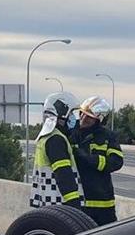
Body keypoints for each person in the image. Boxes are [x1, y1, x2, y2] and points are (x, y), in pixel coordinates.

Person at [70, 95, 123, 225]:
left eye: (89, 117)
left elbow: (116, 162)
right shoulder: (70, 132)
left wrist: (89, 159)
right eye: (82, 114)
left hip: (102, 203)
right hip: (76, 200)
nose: (83, 118)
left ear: (99, 120)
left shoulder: (107, 136)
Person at [29, 91, 82, 208]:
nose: (73, 118)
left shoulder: (45, 137)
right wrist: (74, 205)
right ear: (62, 114)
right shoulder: (56, 140)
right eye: (71, 113)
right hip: (60, 205)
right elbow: (64, 175)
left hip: (45, 204)